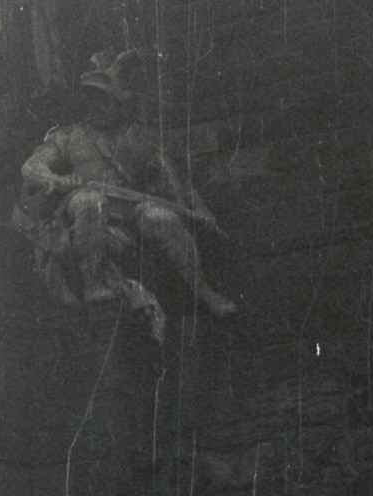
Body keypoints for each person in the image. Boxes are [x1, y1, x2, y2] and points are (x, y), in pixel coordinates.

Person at [15, 51, 236, 342]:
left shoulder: (141, 139)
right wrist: (56, 180)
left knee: (161, 217)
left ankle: (202, 289)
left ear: (120, 103)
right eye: (93, 99)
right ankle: (94, 283)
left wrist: (198, 211)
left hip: (130, 217)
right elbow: (31, 167)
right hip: (86, 211)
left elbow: (175, 184)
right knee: (89, 200)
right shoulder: (68, 136)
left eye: (105, 99)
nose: (98, 106)